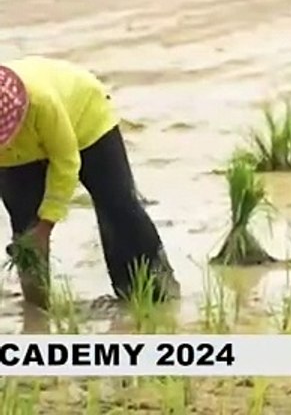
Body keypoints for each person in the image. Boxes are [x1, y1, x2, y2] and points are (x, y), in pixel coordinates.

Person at [0, 56, 179, 308]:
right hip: (18, 155)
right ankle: (37, 311)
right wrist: (34, 233)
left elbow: (66, 164)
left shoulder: (42, 102)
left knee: (117, 206)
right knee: (25, 232)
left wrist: (46, 225)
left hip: (85, 123)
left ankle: (156, 294)